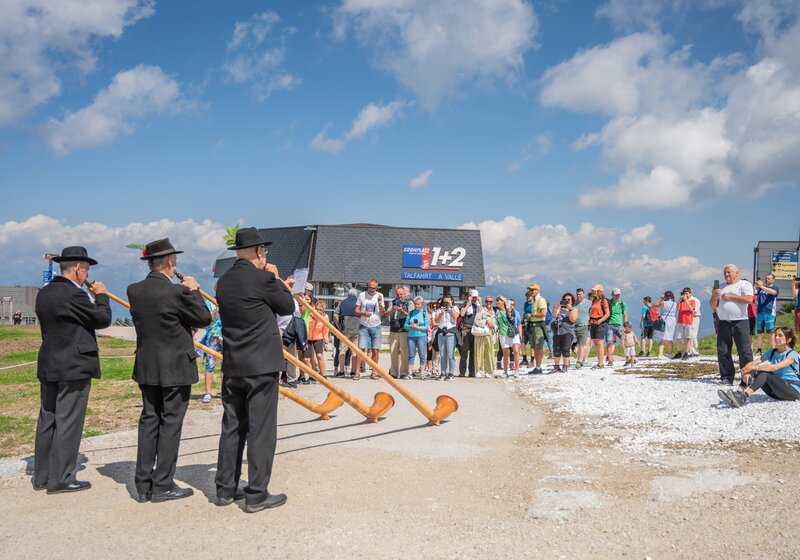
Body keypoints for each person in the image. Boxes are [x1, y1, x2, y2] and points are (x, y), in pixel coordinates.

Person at [215, 227, 294, 512]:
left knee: (232, 426)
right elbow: (287, 306)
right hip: (261, 364)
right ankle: (257, 493)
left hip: (233, 363)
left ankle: (225, 488)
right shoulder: (263, 279)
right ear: (259, 252)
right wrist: (276, 278)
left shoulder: (223, 282)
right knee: (261, 429)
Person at [128, 238, 211, 503]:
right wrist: (194, 291)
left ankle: (143, 484)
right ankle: (163, 484)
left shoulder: (134, 290)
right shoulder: (176, 292)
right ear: (171, 262)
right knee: (171, 423)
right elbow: (204, 318)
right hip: (175, 365)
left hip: (148, 364)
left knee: (149, 420)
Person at [33, 246, 111, 494]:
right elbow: (102, 319)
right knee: (68, 421)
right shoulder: (74, 294)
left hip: (50, 362)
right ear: (78, 269)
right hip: (74, 364)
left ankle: (42, 475)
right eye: (86, 270)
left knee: (48, 418)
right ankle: (61, 478)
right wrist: (101, 296)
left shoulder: (45, 293)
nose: (87, 274)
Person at [718, 327, 799, 407]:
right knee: (754, 370)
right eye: (775, 335)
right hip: (776, 391)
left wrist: (754, 368)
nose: (776, 338)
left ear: (788, 339)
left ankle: (743, 398)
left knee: (765, 373)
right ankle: (738, 393)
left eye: (780, 335)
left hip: (793, 390)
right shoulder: (772, 352)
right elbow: (753, 363)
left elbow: (775, 367)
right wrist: (746, 371)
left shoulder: (792, 354)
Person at [710, 264, 754, 386]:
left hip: (740, 321)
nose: (726, 274)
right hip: (724, 321)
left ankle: (748, 376)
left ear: (736, 273)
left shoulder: (744, 284)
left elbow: (749, 299)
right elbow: (713, 305)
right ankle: (727, 377)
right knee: (723, 350)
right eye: (725, 272)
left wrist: (730, 296)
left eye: (729, 272)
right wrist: (714, 296)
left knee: (744, 350)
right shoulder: (721, 286)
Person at [354, 279, 385, 380]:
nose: (372, 290)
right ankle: (357, 372)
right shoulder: (362, 295)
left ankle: (374, 372)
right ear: (368, 286)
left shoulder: (380, 295)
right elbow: (356, 311)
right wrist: (364, 313)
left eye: (374, 288)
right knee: (361, 350)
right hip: (364, 326)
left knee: (375, 350)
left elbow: (383, 312)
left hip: (376, 326)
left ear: (376, 287)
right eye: (370, 288)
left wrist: (380, 303)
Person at [277, 275, 302, 389]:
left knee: (292, 355)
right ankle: (277, 378)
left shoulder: (296, 300)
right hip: (280, 328)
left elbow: (299, 315)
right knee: (279, 355)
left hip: (292, 329)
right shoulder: (280, 296)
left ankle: (291, 377)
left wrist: (301, 301)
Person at [199, 297, 223, 403]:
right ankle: (208, 392)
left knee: (226, 364)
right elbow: (206, 322)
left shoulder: (229, 300)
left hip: (226, 334)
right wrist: (216, 311)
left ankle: (224, 390)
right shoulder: (209, 303)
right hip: (213, 335)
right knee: (210, 363)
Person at [384, 286, 410, 379]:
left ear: (405, 294)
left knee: (404, 352)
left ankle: (404, 372)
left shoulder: (409, 303)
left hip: (404, 330)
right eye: (398, 294)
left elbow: (411, 315)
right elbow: (386, 314)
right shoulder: (393, 302)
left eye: (401, 294)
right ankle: (394, 372)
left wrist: (402, 311)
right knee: (393, 351)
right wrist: (393, 309)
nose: (399, 296)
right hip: (393, 330)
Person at [432, 293, 459, 380]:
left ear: (452, 301)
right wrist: (441, 313)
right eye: (445, 301)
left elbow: (456, 316)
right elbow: (436, 320)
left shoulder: (455, 308)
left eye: (448, 301)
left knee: (450, 354)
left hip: (451, 332)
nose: (446, 303)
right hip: (441, 333)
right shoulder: (439, 309)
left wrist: (451, 307)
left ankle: (451, 373)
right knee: (442, 354)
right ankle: (443, 373)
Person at [334, 288, 359, 377]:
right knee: (355, 351)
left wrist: (339, 327)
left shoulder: (342, 302)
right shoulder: (359, 303)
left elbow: (335, 316)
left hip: (345, 330)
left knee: (342, 350)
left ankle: (341, 371)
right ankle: (353, 371)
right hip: (357, 330)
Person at [551, 292, 578, 372]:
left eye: (568, 300)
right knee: (556, 349)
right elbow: (554, 316)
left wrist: (570, 309)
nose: (566, 301)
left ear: (572, 301)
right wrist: (556, 306)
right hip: (558, 331)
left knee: (566, 349)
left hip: (568, 331)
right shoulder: (560, 308)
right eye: (565, 299)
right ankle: (556, 366)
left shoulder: (574, 309)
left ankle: (565, 365)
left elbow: (573, 319)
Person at [524, 284, 548, 374]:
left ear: (538, 290)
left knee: (539, 347)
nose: (531, 291)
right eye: (530, 290)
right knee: (534, 347)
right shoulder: (534, 300)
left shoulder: (541, 300)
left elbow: (543, 313)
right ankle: (537, 367)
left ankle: (538, 367)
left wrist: (532, 315)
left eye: (533, 290)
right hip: (533, 325)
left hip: (538, 325)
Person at [495, 296, 520, 378]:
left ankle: (517, 370)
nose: (497, 301)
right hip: (503, 334)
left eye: (499, 300)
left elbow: (513, 321)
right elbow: (497, 323)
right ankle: (505, 372)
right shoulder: (497, 312)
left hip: (512, 333)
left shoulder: (510, 310)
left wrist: (509, 313)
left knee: (516, 351)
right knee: (505, 353)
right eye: (497, 300)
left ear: (503, 302)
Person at [754, 274, 780, 355]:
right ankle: (759, 350)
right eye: (766, 278)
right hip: (760, 312)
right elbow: (753, 292)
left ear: (773, 280)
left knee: (771, 333)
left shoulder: (775, 288)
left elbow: (773, 292)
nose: (767, 280)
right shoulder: (760, 288)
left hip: (770, 313)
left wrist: (762, 286)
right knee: (760, 333)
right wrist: (755, 285)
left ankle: (773, 350)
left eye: (769, 278)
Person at [305, 300, 330, 382]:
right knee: (307, 359)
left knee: (319, 356)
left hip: (318, 337)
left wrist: (326, 341)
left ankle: (324, 375)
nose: (318, 311)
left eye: (320, 310)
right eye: (317, 309)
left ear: (323, 310)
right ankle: (312, 376)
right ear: (314, 308)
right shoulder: (309, 313)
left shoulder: (325, 317)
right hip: (307, 338)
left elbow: (325, 330)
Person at [471, 296, 495, 378]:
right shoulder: (481, 309)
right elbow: (476, 321)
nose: (489, 303)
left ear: (493, 303)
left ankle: (487, 370)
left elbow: (496, 324)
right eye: (487, 301)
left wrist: (494, 326)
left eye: (490, 302)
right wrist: (486, 322)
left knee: (489, 352)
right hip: (481, 334)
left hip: (490, 334)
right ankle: (478, 370)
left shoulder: (494, 312)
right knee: (479, 351)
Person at [404, 296, 428, 378]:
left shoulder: (424, 313)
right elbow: (405, 325)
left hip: (422, 336)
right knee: (411, 355)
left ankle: (422, 373)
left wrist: (418, 327)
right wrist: (410, 326)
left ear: (422, 304)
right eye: (415, 304)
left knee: (422, 354)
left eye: (418, 304)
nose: (417, 306)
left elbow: (426, 327)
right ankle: (410, 373)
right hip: (411, 336)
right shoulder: (411, 313)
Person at [458, 289, 480, 377]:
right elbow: (462, 314)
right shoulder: (465, 304)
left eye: (476, 297)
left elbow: (482, 313)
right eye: (473, 297)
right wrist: (469, 303)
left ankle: (472, 371)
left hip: (475, 330)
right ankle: (462, 372)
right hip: (466, 329)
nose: (474, 299)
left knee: (473, 352)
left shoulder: (477, 305)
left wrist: (480, 302)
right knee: (464, 352)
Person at [588, 285, 610, 369]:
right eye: (593, 290)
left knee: (600, 343)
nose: (594, 292)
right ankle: (599, 362)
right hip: (593, 323)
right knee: (596, 343)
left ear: (600, 291)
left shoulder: (604, 301)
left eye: (595, 290)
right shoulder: (594, 300)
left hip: (600, 323)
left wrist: (600, 321)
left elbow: (607, 314)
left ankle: (601, 363)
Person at [604, 288, 627, 367]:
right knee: (609, 342)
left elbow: (625, 315)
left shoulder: (622, 304)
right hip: (609, 325)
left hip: (619, 326)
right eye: (616, 295)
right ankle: (610, 360)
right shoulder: (608, 303)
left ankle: (629, 358)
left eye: (618, 294)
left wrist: (625, 325)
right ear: (612, 295)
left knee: (626, 340)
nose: (617, 296)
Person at [653, 291, 678, 359]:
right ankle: (670, 353)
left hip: (664, 319)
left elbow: (655, 305)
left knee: (663, 338)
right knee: (670, 337)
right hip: (672, 320)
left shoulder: (663, 302)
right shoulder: (675, 304)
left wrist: (661, 298)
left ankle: (660, 354)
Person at [673, 288, 696, 360]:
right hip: (680, 321)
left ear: (690, 294)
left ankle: (686, 352)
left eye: (687, 294)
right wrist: (680, 300)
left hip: (688, 321)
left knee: (688, 337)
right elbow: (677, 309)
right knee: (678, 337)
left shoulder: (692, 301)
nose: (685, 295)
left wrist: (686, 301)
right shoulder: (681, 302)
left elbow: (691, 309)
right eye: (684, 294)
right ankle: (679, 352)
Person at [574, 288, 591, 368]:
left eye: (580, 294)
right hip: (575, 326)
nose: (578, 296)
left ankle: (582, 360)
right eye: (577, 294)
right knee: (578, 344)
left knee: (585, 343)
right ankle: (580, 359)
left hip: (585, 325)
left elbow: (592, 311)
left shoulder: (589, 303)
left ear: (583, 294)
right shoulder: (574, 303)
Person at [686, 287, 702, 357]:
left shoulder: (695, 300)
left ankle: (695, 351)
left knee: (693, 335)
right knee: (687, 335)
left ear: (691, 293)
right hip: (687, 318)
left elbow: (695, 310)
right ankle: (689, 351)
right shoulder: (684, 300)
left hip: (694, 317)